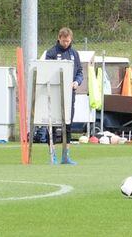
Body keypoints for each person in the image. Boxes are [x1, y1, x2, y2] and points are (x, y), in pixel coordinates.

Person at [46, 27, 83, 164]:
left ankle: (66, 156)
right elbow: (47, 72)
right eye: (63, 41)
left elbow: (79, 71)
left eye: (68, 41)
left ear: (71, 39)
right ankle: (52, 155)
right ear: (59, 38)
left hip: (69, 95)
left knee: (68, 124)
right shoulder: (51, 53)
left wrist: (77, 82)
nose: (66, 43)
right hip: (54, 95)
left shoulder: (74, 54)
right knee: (54, 125)